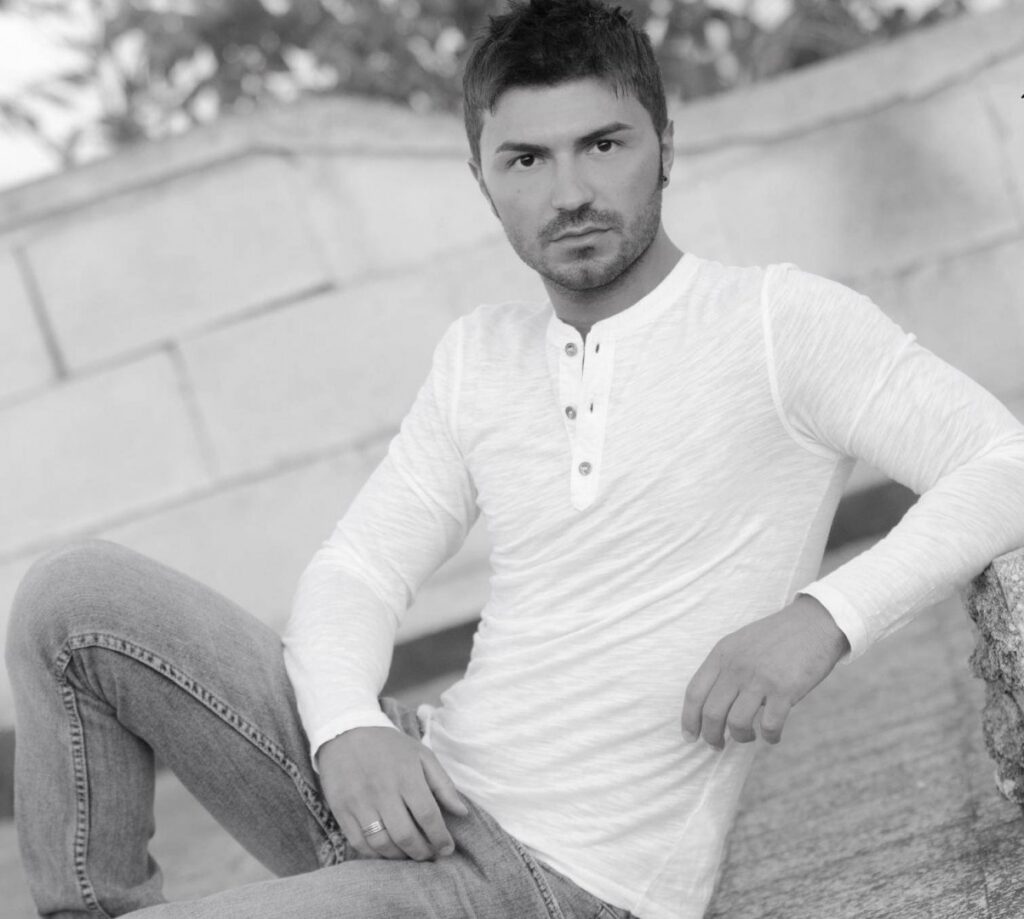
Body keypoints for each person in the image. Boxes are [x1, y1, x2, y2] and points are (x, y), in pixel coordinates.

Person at [7, 0, 1024, 917]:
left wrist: (822, 618)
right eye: (527, 160)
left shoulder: (773, 321)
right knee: (72, 594)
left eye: (603, 145)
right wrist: (348, 728)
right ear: (483, 179)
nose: (570, 192)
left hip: (550, 883)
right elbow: (360, 566)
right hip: (418, 789)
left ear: (664, 146)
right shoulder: (479, 357)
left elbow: (1002, 459)